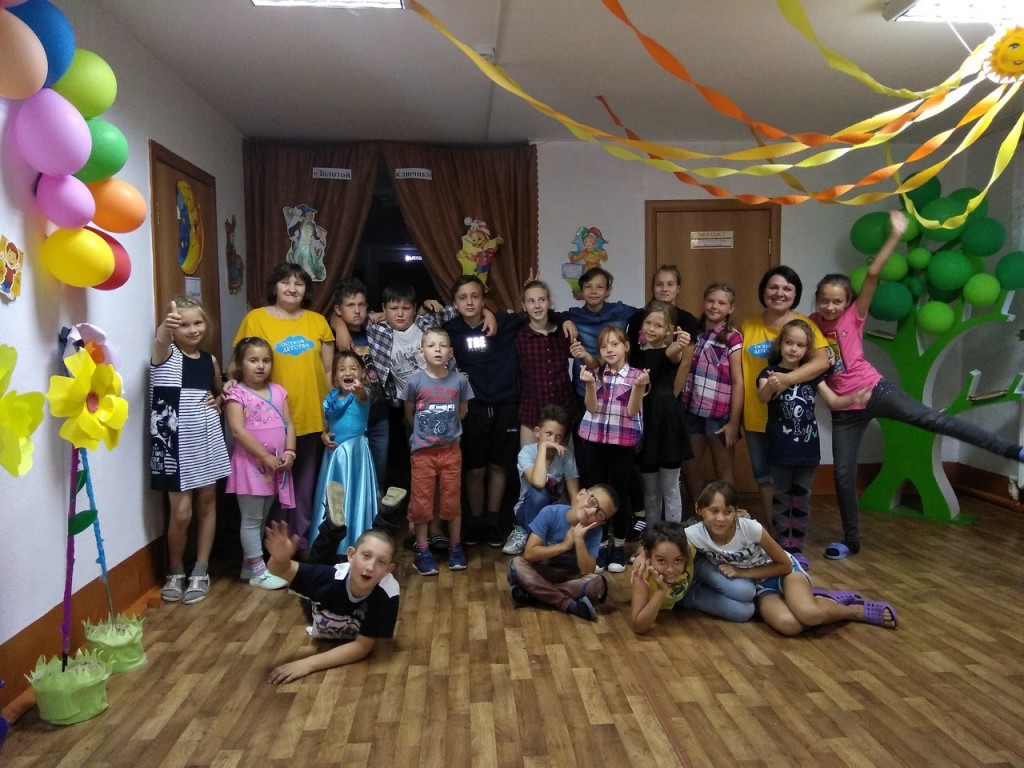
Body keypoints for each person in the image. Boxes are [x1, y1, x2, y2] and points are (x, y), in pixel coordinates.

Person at [810, 210, 1024, 559]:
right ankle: (851, 540)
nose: (830, 306)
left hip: (875, 390)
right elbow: (799, 358)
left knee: (933, 420)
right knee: (843, 475)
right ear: (817, 300)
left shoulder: (853, 316)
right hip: (845, 408)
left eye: (837, 301)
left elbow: (873, 274)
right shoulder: (811, 325)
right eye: (824, 300)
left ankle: (1010, 450)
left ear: (848, 302)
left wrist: (895, 235)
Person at [685, 481, 898, 636]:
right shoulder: (694, 534)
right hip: (761, 588)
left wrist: (743, 572)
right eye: (714, 511)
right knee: (789, 625)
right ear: (699, 509)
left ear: (736, 511)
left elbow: (784, 565)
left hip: (784, 574)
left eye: (727, 511)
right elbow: (673, 542)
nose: (720, 518)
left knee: (809, 614)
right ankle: (822, 600)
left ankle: (854, 611)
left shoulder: (750, 528)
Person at [230, 263, 334, 551]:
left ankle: (299, 543)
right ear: (274, 287)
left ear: (307, 290)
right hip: (267, 422)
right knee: (271, 486)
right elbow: (239, 362)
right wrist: (228, 383)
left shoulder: (318, 322)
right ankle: (271, 549)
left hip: (311, 414)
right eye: (285, 282)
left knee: (304, 485)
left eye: (299, 284)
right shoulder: (256, 318)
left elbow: (328, 371)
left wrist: (331, 411)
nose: (292, 288)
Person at [757, 320, 869, 565]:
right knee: (781, 498)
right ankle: (782, 549)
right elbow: (762, 397)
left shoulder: (812, 378)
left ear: (807, 349)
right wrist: (772, 386)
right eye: (789, 342)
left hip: (807, 451)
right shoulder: (769, 374)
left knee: (801, 499)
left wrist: (854, 398)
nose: (793, 349)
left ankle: (796, 549)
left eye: (800, 345)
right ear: (780, 344)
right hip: (780, 450)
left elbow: (834, 401)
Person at [150, 297, 231, 605]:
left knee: (207, 504)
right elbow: (161, 340)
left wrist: (219, 400)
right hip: (173, 444)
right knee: (181, 513)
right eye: (183, 324)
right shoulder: (165, 353)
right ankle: (175, 571)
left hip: (206, 440)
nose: (193, 329)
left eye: (198, 322)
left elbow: (220, 392)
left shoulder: (210, 360)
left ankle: (200, 570)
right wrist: (164, 328)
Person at [739, 266, 830, 527]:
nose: (779, 293)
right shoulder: (748, 324)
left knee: (792, 482)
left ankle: (792, 535)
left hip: (791, 420)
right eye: (773, 287)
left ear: (795, 294)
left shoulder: (805, 325)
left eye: (787, 289)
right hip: (756, 414)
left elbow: (822, 362)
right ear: (763, 291)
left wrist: (786, 380)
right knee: (764, 478)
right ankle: (776, 534)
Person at [444, 275, 524, 547]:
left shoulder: (504, 322)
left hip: (506, 404)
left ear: (483, 299)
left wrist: (566, 320)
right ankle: (475, 522)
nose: (469, 302)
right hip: (473, 407)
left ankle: (492, 522)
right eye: (463, 297)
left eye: (475, 296)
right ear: (455, 302)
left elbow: (541, 315)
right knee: (475, 469)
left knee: (499, 466)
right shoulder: (450, 330)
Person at [265, 521, 399, 684]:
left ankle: (380, 518)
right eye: (366, 556)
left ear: (388, 570)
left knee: (319, 567)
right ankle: (331, 529)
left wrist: (307, 664)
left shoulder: (387, 594)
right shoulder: (330, 579)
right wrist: (280, 559)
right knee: (317, 563)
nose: (370, 567)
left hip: (334, 613)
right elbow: (281, 569)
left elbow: (362, 647)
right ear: (351, 555)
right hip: (322, 604)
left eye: (381, 562)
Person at [223, 337, 295, 590]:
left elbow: (289, 424)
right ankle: (258, 572)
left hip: (276, 467)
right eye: (253, 360)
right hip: (250, 466)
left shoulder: (279, 391)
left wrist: (290, 451)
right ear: (239, 364)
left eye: (265, 360)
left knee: (262, 516)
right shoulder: (236, 394)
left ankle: (249, 565)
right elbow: (238, 431)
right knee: (251, 518)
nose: (260, 366)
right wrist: (264, 456)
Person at [402, 328, 474, 575]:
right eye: (431, 345)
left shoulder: (460, 381)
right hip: (422, 452)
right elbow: (410, 414)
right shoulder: (414, 381)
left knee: (452, 501)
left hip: (451, 451)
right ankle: (423, 551)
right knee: (421, 504)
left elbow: (462, 412)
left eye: (442, 346)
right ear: (421, 351)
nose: (437, 350)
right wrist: (426, 435)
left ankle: (455, 547)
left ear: (450, 352)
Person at [577, 325, 649, 573]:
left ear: (626, 347)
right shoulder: (596, 373)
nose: (609, 349)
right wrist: (589, 384)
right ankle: (598, 545)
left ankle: (618, 545)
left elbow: (632, 411)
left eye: (615, 344)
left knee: (618, 493)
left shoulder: (637, 375)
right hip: (594, 441)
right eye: (604, 346)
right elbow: (592, 408)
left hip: (622, 443)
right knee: (595, 495)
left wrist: (638, 387)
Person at [507, 485, 618, 621]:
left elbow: (587, 571)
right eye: (592, 501)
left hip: (570, 578)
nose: (591, 512)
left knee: (597, 584)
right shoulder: (550, 512)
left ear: (601, 522)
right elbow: (529, 554)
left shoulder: (595, 531)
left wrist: (579, 540)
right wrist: (564, 546)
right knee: (516, 564)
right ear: (581, 494)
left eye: (600, 514)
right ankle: (568, 604)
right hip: (544, 571)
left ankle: (534, 593)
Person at [309, 350, 379, 561]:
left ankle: (355, 540)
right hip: (334, 456)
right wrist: (323, 435)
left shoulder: (362, 394)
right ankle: (329, 542)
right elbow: (327, 425)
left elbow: (363, 395)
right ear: (334, 377)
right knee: (333, 496)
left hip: (354, 454)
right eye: (342, 369)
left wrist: (359, 390)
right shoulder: (330, 398)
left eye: (353, 369)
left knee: (353, 495)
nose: (348, 373)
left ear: (362, 374)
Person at [629, 521, 755, 634]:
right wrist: (660, 591)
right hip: (686, 595)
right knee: (745, 612)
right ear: (649, 557)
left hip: (696, 570)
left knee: (747, 591)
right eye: (661, 561)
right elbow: (639, 627)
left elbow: (707, 524)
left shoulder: (686, 546)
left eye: (678, 560)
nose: (670, 569)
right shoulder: (642, 574)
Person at [631, 301, 692, 525]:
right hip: (644, 420)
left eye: (659, 325)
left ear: (668, 330)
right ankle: (651, 534)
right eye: (648, 322)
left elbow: (674, 353)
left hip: (667, 421)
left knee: (670, 486)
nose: (651, 328)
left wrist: (680, 343)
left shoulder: (669, 351)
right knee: (650, 488)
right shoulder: (635, 354)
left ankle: (674, 535)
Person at [681, 283, 744, 500]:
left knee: (723, 469)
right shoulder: (695, 333)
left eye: (722, 303)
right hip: (692, 411)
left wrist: (734, 422)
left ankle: (729, 514)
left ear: (731, 308)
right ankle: (702, 512)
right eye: (710, 301)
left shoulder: (733, 337)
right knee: (689, 467)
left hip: (720, 416)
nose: (715, 306)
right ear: (703, 303)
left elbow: (738, 381)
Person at [328, 277, 390, 494]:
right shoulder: (332, 335)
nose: (357, 310)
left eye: (361, 305)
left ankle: (376, 512)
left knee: (379, 470)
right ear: (338, 310)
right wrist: (339, 326)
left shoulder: (375, 330)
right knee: (350, 471)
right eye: (350, 305)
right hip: (348, 417)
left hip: (378, 413)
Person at [502, 404, 580, 555]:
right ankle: (528, 534)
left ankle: (545, 540)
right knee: (538, 494)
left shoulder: (566, 455)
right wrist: (543, 448)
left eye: (558, 436)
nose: (553, 440)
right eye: (548, 434)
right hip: (528, 510)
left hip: (555, 512)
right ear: (537, 432)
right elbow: (538, 482)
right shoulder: (527, 453)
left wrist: (574, 524)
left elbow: (574, 493)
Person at [515, 279, 579, 446]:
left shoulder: (563, 332)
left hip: (563, 408)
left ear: (549, 302)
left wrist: (565, 320)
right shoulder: (519, 336)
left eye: (541, 300)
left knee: (561, 460)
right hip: (532, 410)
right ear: (524, 306)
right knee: (528, 460)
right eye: (531, 301)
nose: (537, 306)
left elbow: (581, 356)